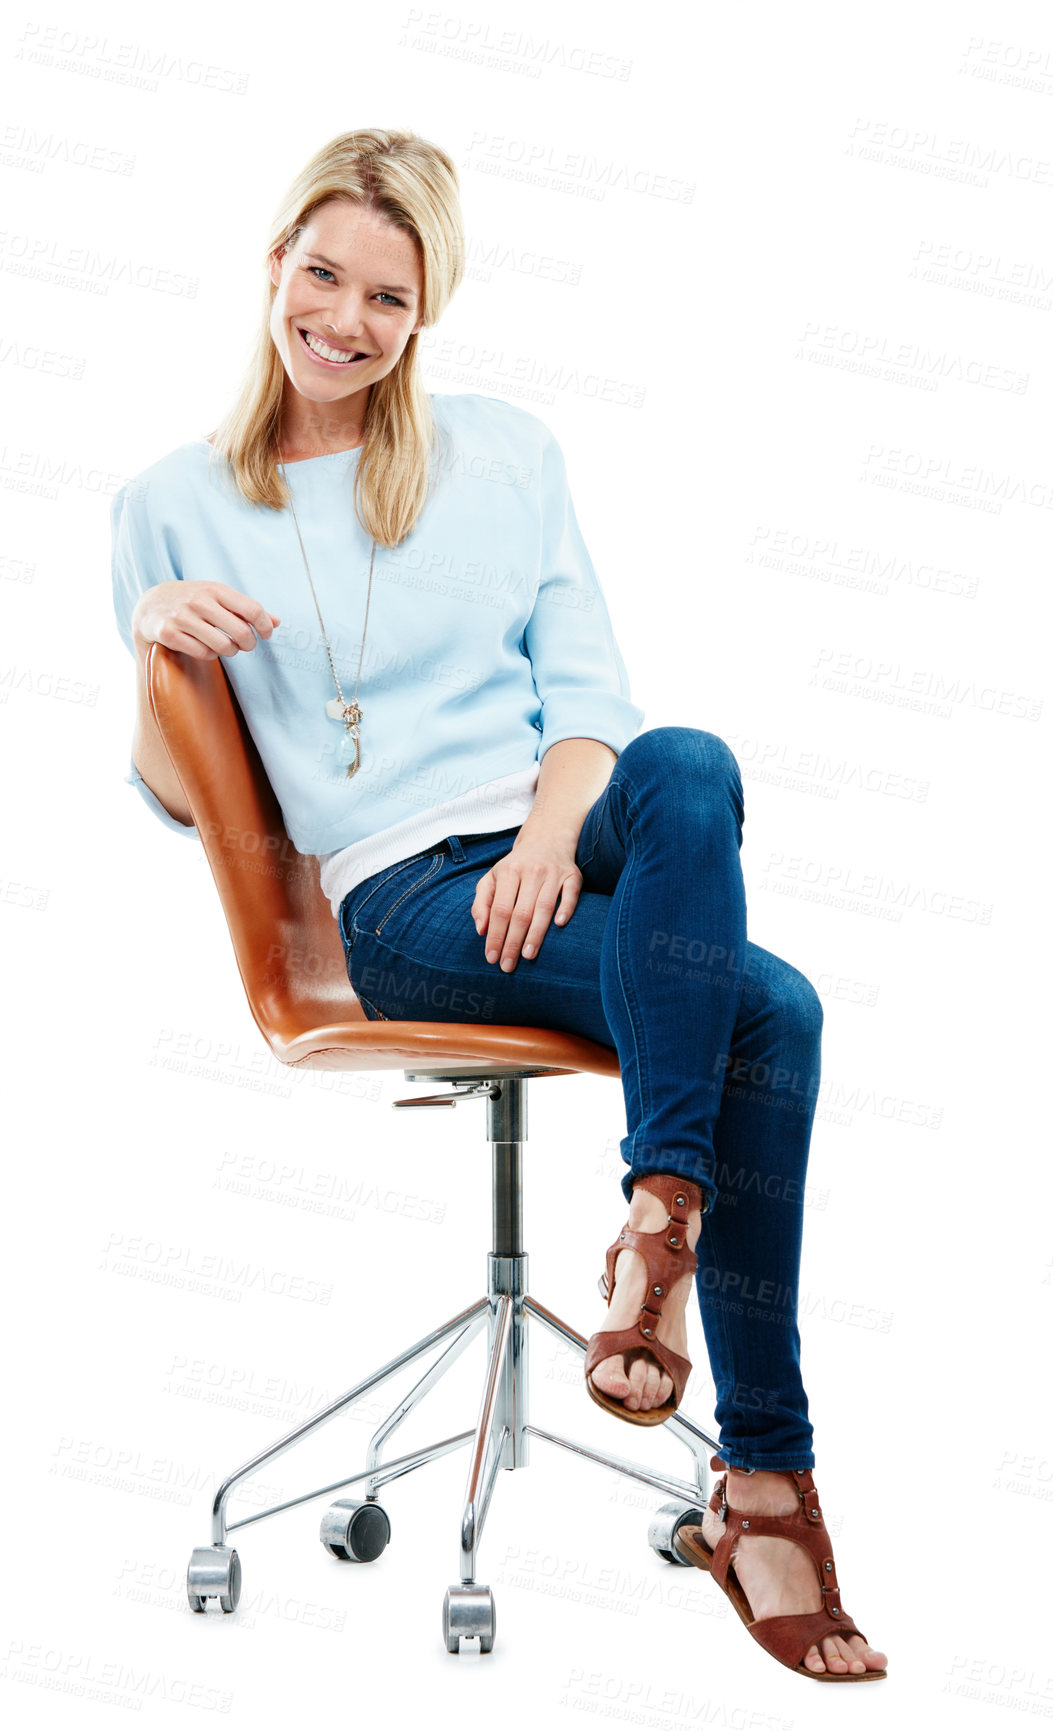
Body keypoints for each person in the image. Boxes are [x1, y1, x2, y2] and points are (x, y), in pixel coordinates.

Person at [110, 127, 887, 1683]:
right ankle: (759, 1474)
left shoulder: (506, 451)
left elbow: (589, 701)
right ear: (273, 267)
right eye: (320, 274)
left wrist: (547, 837)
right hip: (396, 897)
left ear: (425, 314)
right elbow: (180, 792)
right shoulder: (169, 504)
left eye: (387, 297)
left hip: (559, 839)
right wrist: (155, 643)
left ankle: (656, 1236)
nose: (343, 317)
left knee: (686, 758)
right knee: (772, 1008)